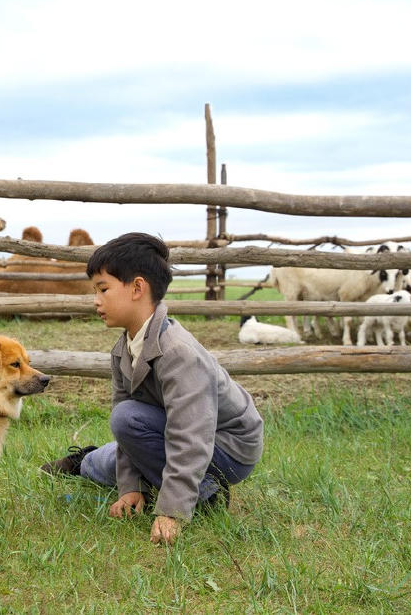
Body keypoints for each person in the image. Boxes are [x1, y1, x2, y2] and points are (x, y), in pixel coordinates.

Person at [41, 232, 263, 545]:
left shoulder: (178, 352)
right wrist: (131, 488)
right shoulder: (123, 349)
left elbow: (192, 435)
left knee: (125, 419)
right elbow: (129, 437)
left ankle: (207, 492)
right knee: (108, 462)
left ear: (137, 288)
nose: (96, 300)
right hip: (171, 431)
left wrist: (172, 510)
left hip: (226, 446)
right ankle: (85, 462)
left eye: (103, 289)